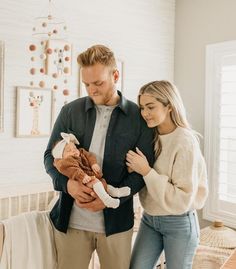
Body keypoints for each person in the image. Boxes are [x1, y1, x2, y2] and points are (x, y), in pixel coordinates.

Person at [44, 44, 154, 269]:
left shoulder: (138, 117)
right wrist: (68, 186)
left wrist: (112, 201)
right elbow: (50, 157)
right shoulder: (70, 112)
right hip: (71, 223)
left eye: (98, 83)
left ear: (115, 75)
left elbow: (143, 173)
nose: (92, 90)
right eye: (86, 84)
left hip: (116, 226)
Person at [126, 80, 208, 269]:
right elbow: (142, 174)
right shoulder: (149, 135)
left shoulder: (185, 141)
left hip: (179, 222)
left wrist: (146, 171)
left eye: (150, 107)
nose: (145, 114)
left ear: (169, 106)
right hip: (150, 219)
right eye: (142, 108)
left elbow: (182, 198)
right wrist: (135, 169)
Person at [52, 132, 131, 209]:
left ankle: (116, 192)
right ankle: (107, 200)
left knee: (102, 184)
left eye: (74, 148)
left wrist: (94, 164)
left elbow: (89, 155)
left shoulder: (81, 152)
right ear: (61, 156)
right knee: (96, 183)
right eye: (69, 150)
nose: (74, 150)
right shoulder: (65, 162)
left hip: (89, 177)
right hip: (80, 181)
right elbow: (74, 170)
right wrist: (83, 177)